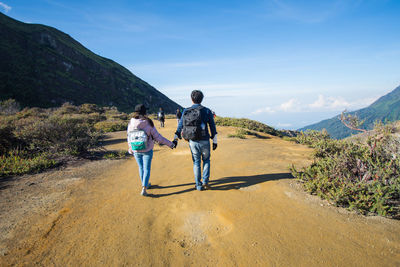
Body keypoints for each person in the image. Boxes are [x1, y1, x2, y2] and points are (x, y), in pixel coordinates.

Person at [128, 104, 177, 196]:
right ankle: (144, 187)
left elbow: (129, 136)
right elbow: (158, 137)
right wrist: (170, 144)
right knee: (146, 169)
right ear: (145, 112)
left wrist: (130, 148)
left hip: (136, 149)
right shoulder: (148, 122)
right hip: (147, 149)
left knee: (141, 167)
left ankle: (145, 184)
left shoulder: (131, 122)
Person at [174, 90, 217, 191]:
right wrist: (215, 141)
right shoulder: (207, 111)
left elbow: (180, 126)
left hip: (192, 141)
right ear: (202, 99)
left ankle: (198, 185)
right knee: (206, 160)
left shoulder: (186, 110)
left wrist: (176, 138)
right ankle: (205, 182)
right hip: (205, 140)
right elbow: (212, 127)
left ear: (191, 98)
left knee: (196, 162)